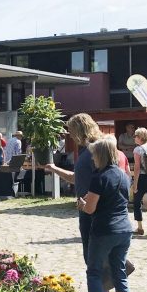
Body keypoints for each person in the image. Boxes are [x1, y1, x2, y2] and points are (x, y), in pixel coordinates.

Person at [77, 135, 132, 292]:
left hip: (104, 230)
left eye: (94, 155)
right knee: (119, 271)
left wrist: (82, 204)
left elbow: (90, 209)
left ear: (100, 155)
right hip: (124, 229)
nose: (92, 158)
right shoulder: (123, 176)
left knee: (94, 272)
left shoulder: (99, 177)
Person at [46, 113, 104, 264]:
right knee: (96, 258)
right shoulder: (87, 151)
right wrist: (54, 169)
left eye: (71, 131)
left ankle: (101, 288)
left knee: (94, 259)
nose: (70, 136)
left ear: (79, 131)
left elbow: (105, 179)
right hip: (88, 208)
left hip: (93, 209)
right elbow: (75, 178)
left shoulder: (94, 151)